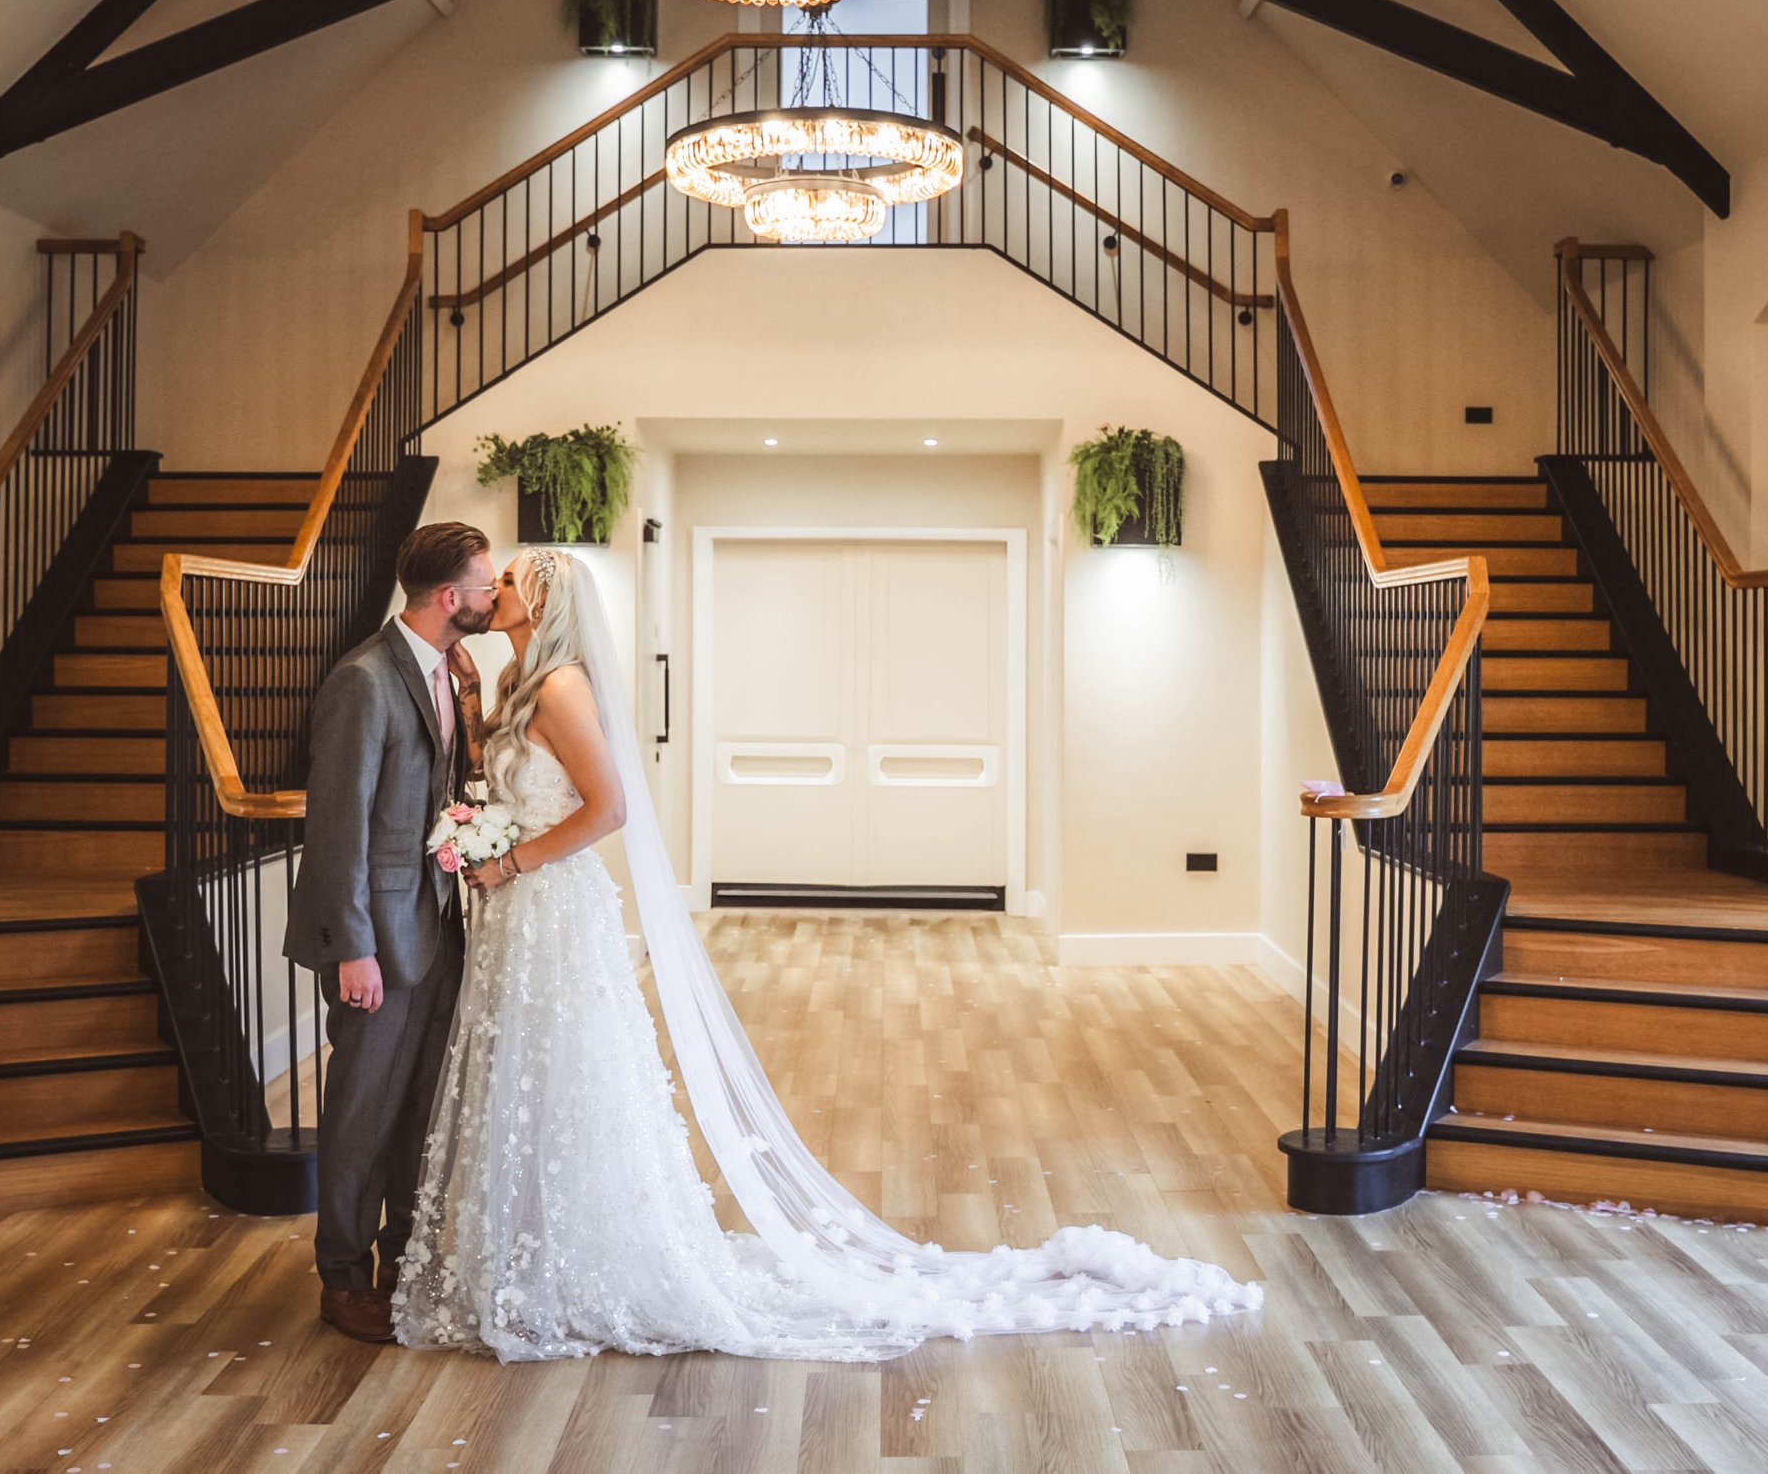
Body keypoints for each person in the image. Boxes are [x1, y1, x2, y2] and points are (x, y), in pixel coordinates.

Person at [392, 546, 1260, 1361]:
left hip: (550, 907)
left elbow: (609, 808)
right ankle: (526, 1252)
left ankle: (578, 1262)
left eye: (507, 579)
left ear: (539, 599)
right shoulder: (513, 682)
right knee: (528, 1080)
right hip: (517, 918)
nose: (493, 587)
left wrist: (510, 858)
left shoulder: (564, 689)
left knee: (568, 1075)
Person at [283, 521, 496, 1342]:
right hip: (379, 939)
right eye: (483, 585)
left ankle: (402, 1262)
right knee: (363, 1112)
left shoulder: (451, 670)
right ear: (450, 598)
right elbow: (335, 826)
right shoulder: (364, 681)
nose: (488, 595)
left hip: (439, 927)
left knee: (420, 1109)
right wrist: (355, 949)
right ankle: (342, 1278)